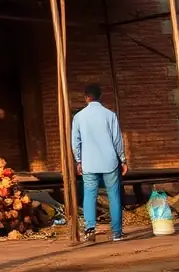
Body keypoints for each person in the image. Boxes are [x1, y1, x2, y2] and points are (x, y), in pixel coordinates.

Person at [71, 84, 128, 243]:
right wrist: (122, 159)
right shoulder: (110, 115)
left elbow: (75, 142)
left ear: (86, 97)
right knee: (114, 196)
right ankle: (117, 233)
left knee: (89, 195)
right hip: (109, 161)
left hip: (89, 163)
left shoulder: (79, 117)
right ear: (100, 97)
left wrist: (78, 160)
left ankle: (90, 229)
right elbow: (117, 140)